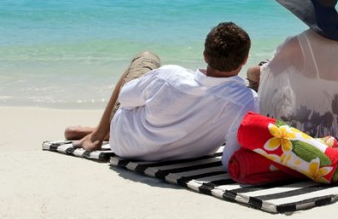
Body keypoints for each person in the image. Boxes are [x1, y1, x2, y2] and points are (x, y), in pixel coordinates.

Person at [64, 21, 257, 166]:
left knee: (146, 57)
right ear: (245, 59)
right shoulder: (248, 100)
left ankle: (98, 134)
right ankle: (99, 132)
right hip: (191, 154)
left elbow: (125, 99)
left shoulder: (169, 76)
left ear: (205, 55)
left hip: (126, 145)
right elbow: (231, 153)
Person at [246, 0, 338, 140]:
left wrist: (250, 72)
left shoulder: (297, 44)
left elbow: (266, 75)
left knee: (256, 74)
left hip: (307, 131)